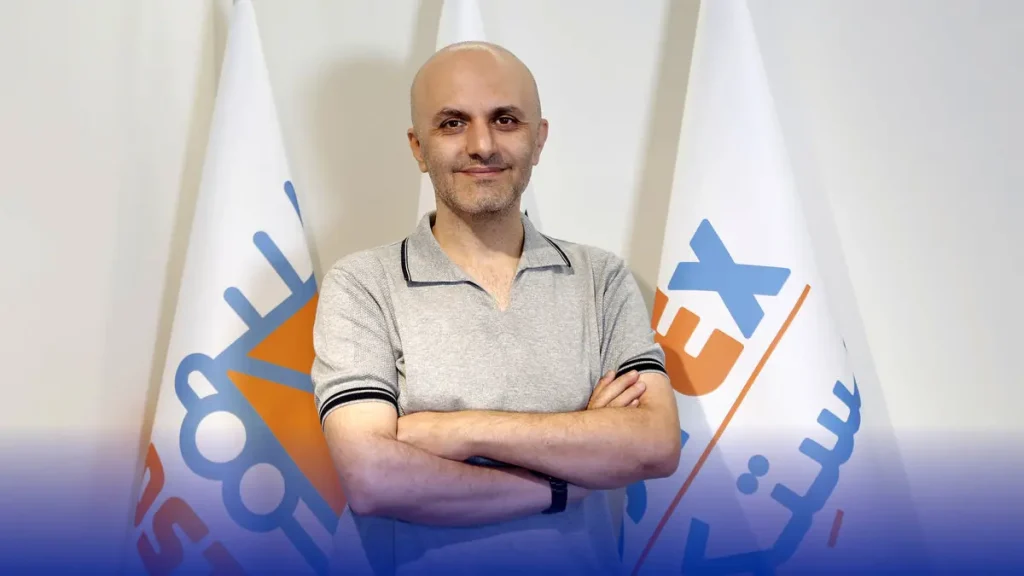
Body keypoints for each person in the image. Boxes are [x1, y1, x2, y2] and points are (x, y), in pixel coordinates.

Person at [312, 41, 680, 576]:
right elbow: (372, 480)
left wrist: (461, 430)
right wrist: (561, 483)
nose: (481, 145)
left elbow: (655, 445)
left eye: (505, 120)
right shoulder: (362, 284)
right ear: (418, 148)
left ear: (539, 139)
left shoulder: (600, 278)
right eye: (452, 123)